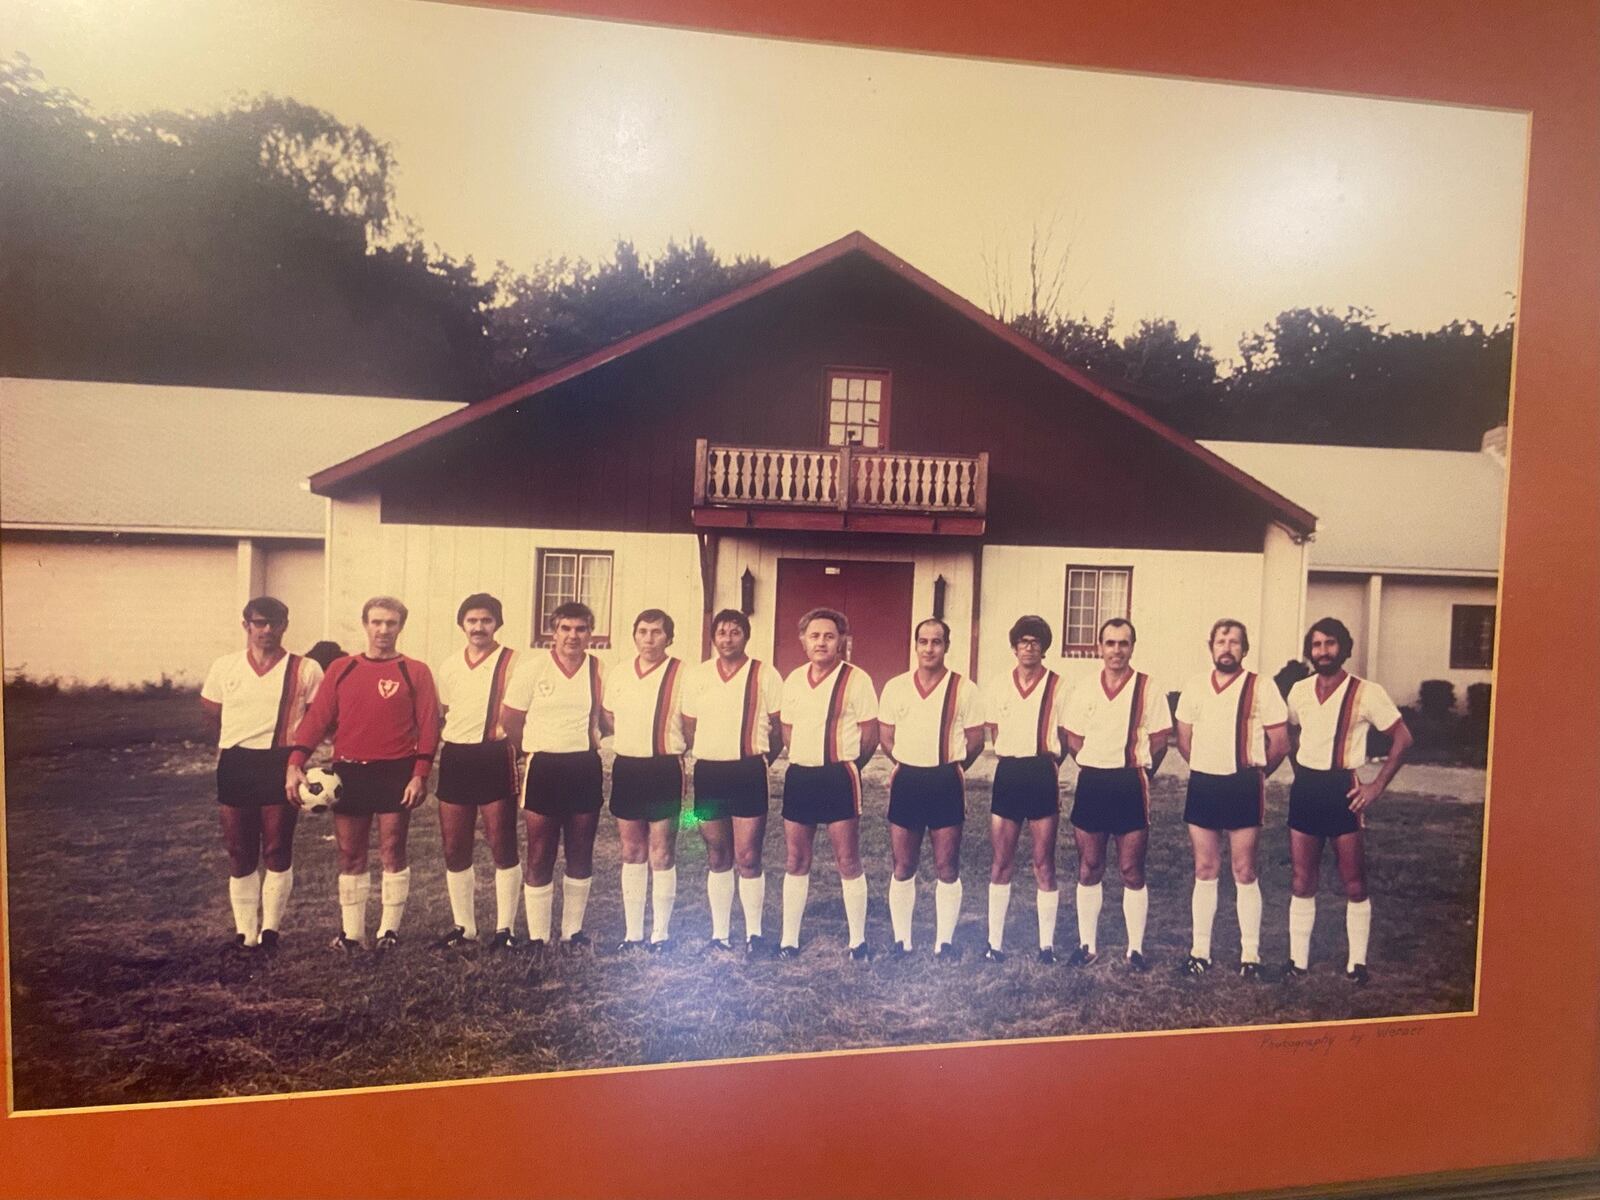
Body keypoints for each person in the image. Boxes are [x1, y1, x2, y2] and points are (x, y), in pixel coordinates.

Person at [286, 596, 440, 954]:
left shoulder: (414, 670)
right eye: (376, 622)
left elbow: (429, 726)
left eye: (390, 623)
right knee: (350, 855)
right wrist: (296, 760)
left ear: (401, 626)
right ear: (365, 624)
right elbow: (317, 718)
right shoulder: (342, 668)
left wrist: (419, 773)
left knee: (392, 850)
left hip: (396, 771)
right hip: (349, 772)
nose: (383, 630)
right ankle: (352, 934)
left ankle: (389, 931)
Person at [1283, 617, 1414, 983]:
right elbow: (1291, 732)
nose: (1323, 652)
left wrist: (1375, 787)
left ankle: (1357, 963)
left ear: (1344, 648)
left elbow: (1403, 738)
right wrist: (1301, 769)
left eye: (1331, 644)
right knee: (1301, 878)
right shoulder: (1299, 691)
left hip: (1344, 789)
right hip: (1307, 789)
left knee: (1353, 880)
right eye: (1317, 645)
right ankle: (1298, 962)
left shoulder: (1367, 692)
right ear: (1310, 651)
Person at [200, 596, 323, 954]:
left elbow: (316, 721)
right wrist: (227, 746)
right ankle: (245, 932)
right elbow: (211, 714)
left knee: (276, 846)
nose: (267, 630)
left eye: (274, 623)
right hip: (237, 762)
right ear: (246, 626)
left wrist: (297, 762)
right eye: (259, 623)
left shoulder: (307, 668)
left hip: (281, 763)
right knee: (239, 850)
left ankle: (271, 929)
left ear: (285, 625)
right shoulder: (225, 666)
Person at [1173, 618, 1289, 978]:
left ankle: (1250, 955)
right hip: (1205, 784)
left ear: (1245, 649)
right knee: (1205, 869)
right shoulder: (1194, 686)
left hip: (1243, 784)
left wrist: (1252, 774)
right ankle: (1200, 952)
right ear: (1211, 646)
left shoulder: (1262, 686)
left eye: (1235, 642)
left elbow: (1281, 742)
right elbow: (1185, 740)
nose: (1227, 647)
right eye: (1221, 641)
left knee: (1244, 870)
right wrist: (1211, 766)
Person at [499, 601, 608, 953]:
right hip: (543, 765)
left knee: (580, 850)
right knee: (540, 850)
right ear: (553, 631)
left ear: (590, 633)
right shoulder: (533, 669)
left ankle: (572, 932)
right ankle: (538, 935)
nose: (572, 636)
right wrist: (532, 750)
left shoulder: (599, 670)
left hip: (584, 766)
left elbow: (608, 719)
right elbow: (511, 719)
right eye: (565, 628)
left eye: (580, 629)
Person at [1062, 617, 1170, 971]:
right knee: (1089, 866)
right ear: (1099, 647)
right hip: (1093, 782)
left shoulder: (1148, 687)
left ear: (1132, 647)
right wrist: (1096, 761)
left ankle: (1134, 949)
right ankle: (1086, 945)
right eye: (1110, 643)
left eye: (1123, 643)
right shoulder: (1084, 687)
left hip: (1130, 783)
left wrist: (1139, 770)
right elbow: (1074, 738)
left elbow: (1158, 740)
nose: (1116, 650)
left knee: (1130, 868)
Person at [877, 617, 986, 959]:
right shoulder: (896, 686)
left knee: (946, 865)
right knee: (903, 864)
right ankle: (902, 941)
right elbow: (886, 737)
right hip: (908, 779)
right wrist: (911, 760)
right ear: (915, 645)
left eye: (936, 642)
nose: (929, 648)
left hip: (945, 780)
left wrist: (949, 767)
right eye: (923, 641)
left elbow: (975, 740)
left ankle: (944, 942)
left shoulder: (964, 688)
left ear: (946, 646)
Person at [777, 607, 879, 960]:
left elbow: (870, 735)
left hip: (839, 775)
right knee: (795, 858)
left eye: (829, 636)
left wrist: (846, 765)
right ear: (803, 640)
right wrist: (807, 757)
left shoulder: (858, 679)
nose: (821, 642)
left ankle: (857, 941)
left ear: (841, 642)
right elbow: (787, 730)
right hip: (800, 775)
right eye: (815, 635)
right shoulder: (793, 679)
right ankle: (788, 940)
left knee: (847, 858)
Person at [681, 608, 785, 953]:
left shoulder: (764, 673)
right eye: (722, 632)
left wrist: (758, 758)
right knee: (716, 853)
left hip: (748, 771)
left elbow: (778, 728)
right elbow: (689, 726)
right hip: (709, 772)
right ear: (714, 637)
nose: (728, 639)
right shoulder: (698, 675)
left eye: (735, 632)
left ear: (746, 636)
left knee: (748, 854)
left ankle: (754, 933)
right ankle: (719, 934)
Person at [431, 593, 522, 951]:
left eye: (486, 620)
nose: (479, 627)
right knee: (455, 846)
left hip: (494, 754)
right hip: (456, 756)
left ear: (497, 623)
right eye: (472, 620)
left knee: (501, 843)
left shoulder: (513, 662)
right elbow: (447, 709)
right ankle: (464, 927)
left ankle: (505, 928)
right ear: (462, 625)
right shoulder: (450, 665)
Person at [983, 615, 1070, 964]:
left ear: (1044, 648)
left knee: (1043, 862)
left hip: (1041, 771)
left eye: (1035, 642)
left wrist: (1047, 764)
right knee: (1001, 861)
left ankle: (1045, 945)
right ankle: (995, 944)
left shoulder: (1061, 685)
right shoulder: (998, 684)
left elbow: (1066, 735)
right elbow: (993, 730)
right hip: (1009, 772)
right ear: (1015, 646)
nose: (1029, 647)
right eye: (1023, 641)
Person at [602, 609, 688, 952]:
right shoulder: (620, 673)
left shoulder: (683, 673)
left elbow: (691, 724)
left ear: (669, 637)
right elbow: (609, 716)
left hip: (665, 767)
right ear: (634, 636)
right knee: (631, 849)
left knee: (662, 850)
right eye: (643, 631)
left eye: (657, 632)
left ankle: (661, 934)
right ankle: (633, 933)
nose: (649, 639)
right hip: (627, 768)